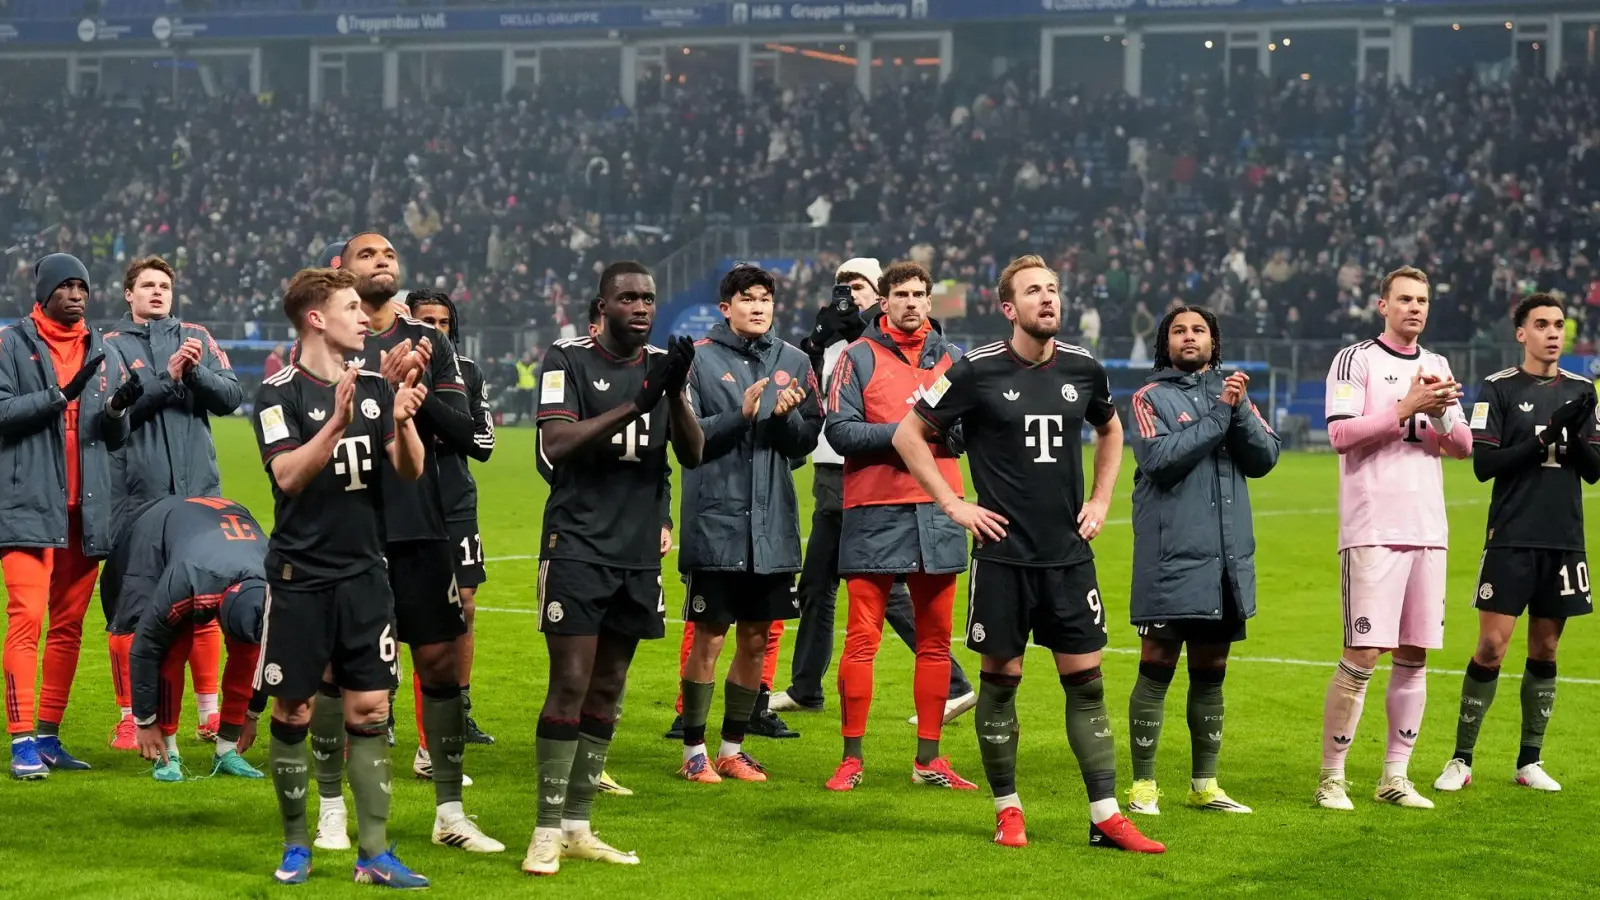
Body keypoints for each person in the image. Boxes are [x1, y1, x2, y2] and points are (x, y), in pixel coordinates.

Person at [894, 254, 1163, 853]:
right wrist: (953, 505)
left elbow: (1111, 428)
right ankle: (1007, 809)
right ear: (1009, 308)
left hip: (1068, 557)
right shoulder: (974, 371)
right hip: (1003, 559)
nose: (1049, 299)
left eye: (1054, 289)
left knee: (1087, 685)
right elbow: (908, 434)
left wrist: (1100, 498)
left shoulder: (1085, 368)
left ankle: (1105, 816)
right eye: (1034, 291)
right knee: (1001, 683)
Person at [303, 233, 501, 856]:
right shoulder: (328, 341)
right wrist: (384, 399)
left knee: (440, 666)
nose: (382, 262)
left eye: (389, 255)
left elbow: (469, 433)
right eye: (367, 255)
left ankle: (449, 811)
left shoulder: (431, 343)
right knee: (339, 675)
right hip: (351, 534)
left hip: (421, 526)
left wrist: (411, 404)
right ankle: (331, 810)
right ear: (340, 272)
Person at [252, 266, 430, 887]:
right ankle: (296, 844)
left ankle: (373, 853)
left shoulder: (377, 388)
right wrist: (334, 420)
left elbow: (408, 472)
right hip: (299, 579)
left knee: (370, 707)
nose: (365, 316)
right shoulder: (277, 393)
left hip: (364, 577)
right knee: (295, 709)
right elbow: (289, 477)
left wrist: (404, 419)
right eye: (352, 307)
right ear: (316, 318)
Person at [524, 261, 702, 876]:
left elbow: (694, 451)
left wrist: (673, 391)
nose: (641, 306)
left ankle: (577, 824)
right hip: (575, 544)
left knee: (608, 686)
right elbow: (558, 444)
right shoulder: (565, 358)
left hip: (634, 554)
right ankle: (544, 830)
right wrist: (639, 401)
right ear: (600, 306)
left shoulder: (660, 364)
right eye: (628, 297)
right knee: (570, 682)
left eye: (649, 297)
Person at [773, 257, 976, 726]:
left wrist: (909, 433)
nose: (850, 295)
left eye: (859, 286)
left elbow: (963, 432)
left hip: (889, 489)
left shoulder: (932, 351)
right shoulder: (840, 344)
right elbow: (829, 414)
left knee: (883, 588)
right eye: (843, 287)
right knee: (818, 584)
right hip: (837, 475)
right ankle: (806, 685)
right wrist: (819, 342)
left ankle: (954, 683)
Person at [1316, 265, 1472, 811]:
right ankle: (1332, 777)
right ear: (1383, 305)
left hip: (1428, 528)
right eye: (1404, 298)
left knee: (1414, 655)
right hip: (1373, 528)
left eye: (1423, 300)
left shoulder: (1438, 365)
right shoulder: (1355, 359)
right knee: (1362, 652)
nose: (1415, 307)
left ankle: (1394, 776)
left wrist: (1444, 411)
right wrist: (1406, 407)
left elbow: (1462, 448)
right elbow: (1339, 434)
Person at [1435, 294, 1599, 794]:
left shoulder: (1581, 389)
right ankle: (1461, 759)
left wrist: (1573, 436)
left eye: (1559, 325)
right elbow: (1485, 465)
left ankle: (1530, 761)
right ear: (1521, 333)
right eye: (1543, 324)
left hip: (1564, 538)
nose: (1554, 333)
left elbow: (1594, 472)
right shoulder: (1498, 388)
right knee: (1491, 646)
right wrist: (1545, 435)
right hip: (1510, 535)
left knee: (1546, 646)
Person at [821, 260, 975, 792]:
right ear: (883, 302)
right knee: (862, 639)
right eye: (901, 294)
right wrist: (912, 434)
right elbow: (840, 432)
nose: (911, 302)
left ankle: (929, 760)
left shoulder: (954, 360)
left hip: (940, 510)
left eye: (919, 294)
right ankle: (850, 758)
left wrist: (931, 436)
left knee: (935, 643)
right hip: (874, 510)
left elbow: (966, 434)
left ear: (930, 302)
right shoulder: (856, 358)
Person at [1124, 306, 1280, 816]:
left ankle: (1205, 785)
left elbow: (1265, 458)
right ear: (1164, 343)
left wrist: (1234, 411)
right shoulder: (1150, 398)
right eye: (1178, 330)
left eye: (1199, 330)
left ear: (1214, 341)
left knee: (1212, 670)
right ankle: (1143, 786)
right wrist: (1220, 415)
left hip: (1224, 564)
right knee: (1157, 665)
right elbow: (1160, 461)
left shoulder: (1234, 396)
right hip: (1170, 559)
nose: (1189, 337)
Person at [675, 263, 821, 785]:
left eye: (765, 299)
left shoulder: (796, 361)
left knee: (757, 639)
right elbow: (687, 439)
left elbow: (805, 443)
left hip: (773, 528)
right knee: (710, 636)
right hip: (716, 524)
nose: (758, 307)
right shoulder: (696, 361)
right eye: (747, 299)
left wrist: (784, 418)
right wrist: (742, 413)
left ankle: (732, 748)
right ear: (725, 308)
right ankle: (693, 750)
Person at [2, 253, 141, 779]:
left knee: (66, 628)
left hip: (87, 511)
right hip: (28, 508)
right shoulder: (12, 343)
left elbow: (114, 439)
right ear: (43, 293)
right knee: (27, 623)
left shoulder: (101, 348)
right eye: (65, 286)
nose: (77, 295)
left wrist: (116, 411)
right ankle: (20, 743)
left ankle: (48, 737)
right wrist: (60, 396)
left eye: (83, 286)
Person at [103, 255, 244, 751]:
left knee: (202, 604)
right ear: (129, 294)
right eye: (148, 285)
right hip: (139, 499)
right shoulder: (112, 347)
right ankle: (129, 717)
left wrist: (194, 373)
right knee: (133, 606)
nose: (158, 292)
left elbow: (231, 396)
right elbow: (112, 417)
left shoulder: (199, 337)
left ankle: (208, 712)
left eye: (164, 285)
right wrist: (169, 378)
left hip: (198, 495)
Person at [99, 495, 269, 781]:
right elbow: (146, 647)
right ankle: (168, 751)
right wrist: (145, 721)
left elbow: (267, 654)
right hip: (158, 529)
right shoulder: (188, 578)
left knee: (250, 652)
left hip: (220, 532)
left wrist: (252, 714)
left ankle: (227, 750)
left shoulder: (281, 585)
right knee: (173, 647)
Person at [407, 289, 496, 745]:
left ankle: (460, 709)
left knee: (465, 604)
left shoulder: (471, 373)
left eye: (443, 323)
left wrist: (425, 404)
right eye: (426, 321)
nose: (436, 331)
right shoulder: (387, 368)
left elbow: (481, 445)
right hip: (407, 497)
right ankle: (379, 710)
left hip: (455, 499)